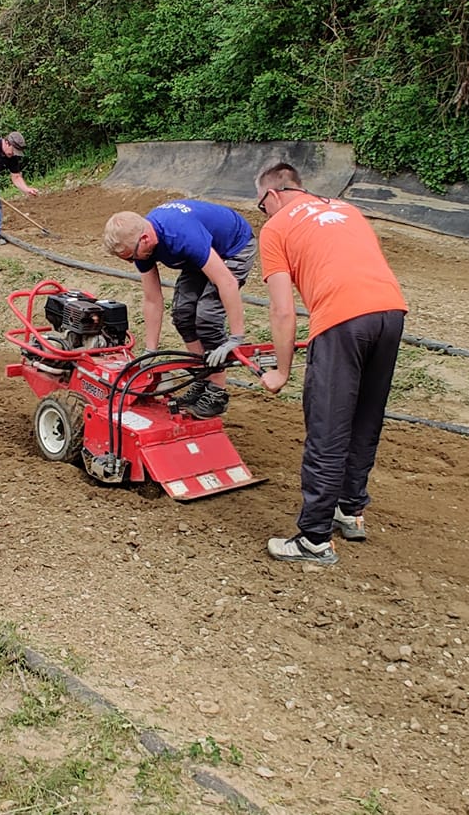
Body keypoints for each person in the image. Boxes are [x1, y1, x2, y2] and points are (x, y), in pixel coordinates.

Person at [253, 161, 408, 566]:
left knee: (327, 428)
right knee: (365, 418)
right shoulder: (347, 210)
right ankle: (350, 510)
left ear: (273, 195)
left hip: (341, 319)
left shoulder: (276, 228)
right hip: (391, 312)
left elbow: (282, 310)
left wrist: (281, 371)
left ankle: (314, 539)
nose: (263, 214)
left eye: (261, 206)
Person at [102, 200, 255, 419]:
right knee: (183, 314)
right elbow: (152, 299)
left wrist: (236, 337)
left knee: (207, 316)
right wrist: (150, 350)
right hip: (201, 252)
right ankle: (203, 378)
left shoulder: (181, 235)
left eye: (130, 257)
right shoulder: (141, 245)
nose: (131, 263)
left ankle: (217, 392)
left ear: (145, 239)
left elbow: (227, 282)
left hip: (233, 247)